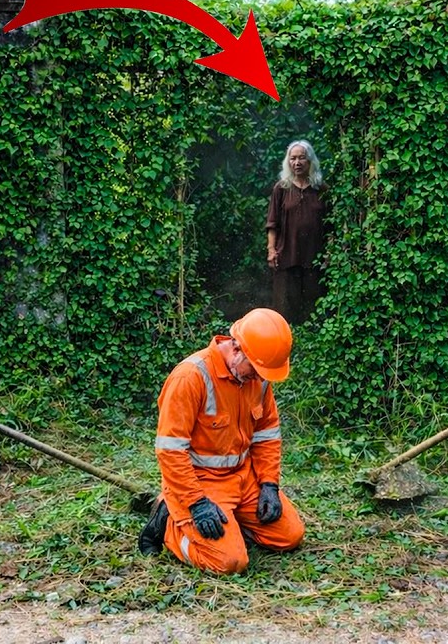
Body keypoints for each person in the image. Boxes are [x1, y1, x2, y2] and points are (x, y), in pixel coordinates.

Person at [136, 308, 305, 574]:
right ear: (237, 349)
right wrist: (196, 502)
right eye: (256, 370)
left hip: (243, 478)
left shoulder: (256, 378)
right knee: (229, 562)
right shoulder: (190, 377)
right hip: (201, 483)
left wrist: (269, 484)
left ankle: (230, 522)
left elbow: (266, 435)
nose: (259, 378)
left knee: (289, 536)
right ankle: (170, 524)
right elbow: (170, 451)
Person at [266, 140, 329, 324]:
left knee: (314, 304)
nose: (297, 162)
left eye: (302, 158)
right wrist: (271, 250)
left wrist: (329, 252)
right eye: (293, 158)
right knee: (285, 306)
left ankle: (314, 342)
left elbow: (330, 224)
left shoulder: (321, 189)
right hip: (287, 255)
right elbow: (272, 222)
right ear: (288, 162)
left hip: (314, 256)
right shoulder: (281, 188)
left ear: (310, 161)